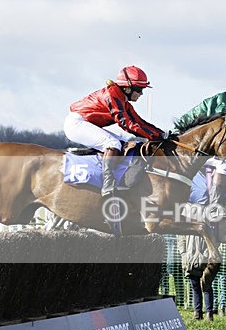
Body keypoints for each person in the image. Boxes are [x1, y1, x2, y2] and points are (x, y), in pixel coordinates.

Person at [64, 66, 164, 232]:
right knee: (113, 144)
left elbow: (138, 121)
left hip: (87, 123)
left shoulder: (123, 99)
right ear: (127, 87)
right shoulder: (112, 94)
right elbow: (126, 123)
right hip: (76, 123)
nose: (141, 94)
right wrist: (153, 136)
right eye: (139, 90)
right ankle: (108, 186)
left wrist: (160, 133)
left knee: (125, 143)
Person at [177, 234, 214, 321]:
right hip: (190, 259)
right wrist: (184, 255)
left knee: (207, 286)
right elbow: (181, 239)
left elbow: (213, 239)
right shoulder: (187, 222)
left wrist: (205, 255)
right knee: (195, 286)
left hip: (205, 260)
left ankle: (209, 313)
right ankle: (197, 312)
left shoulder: (207, 222)